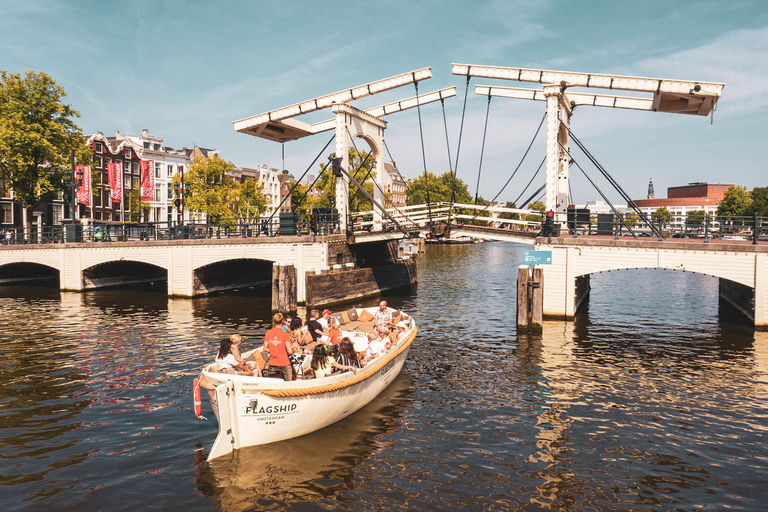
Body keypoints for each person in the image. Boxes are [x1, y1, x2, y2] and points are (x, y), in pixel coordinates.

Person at [262, 312, 293, 381]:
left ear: (273, 321)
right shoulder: (285, 334)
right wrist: (284, 353)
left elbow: (265, 348)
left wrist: (273, 351)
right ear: (282, 321)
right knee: (288, 383)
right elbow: (290, 351)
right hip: (284, 364)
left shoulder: (268, 333)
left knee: (272, 383)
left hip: (272, 363)